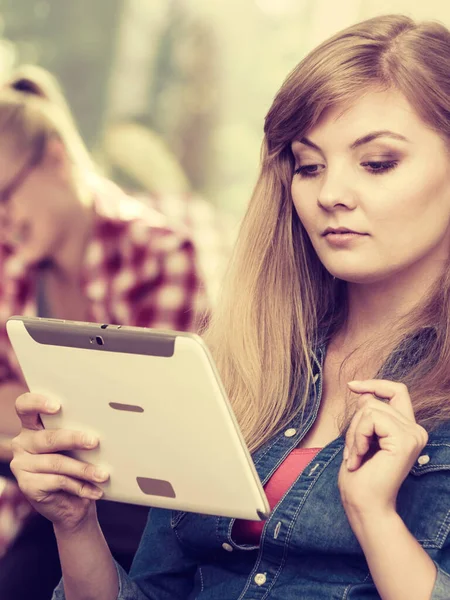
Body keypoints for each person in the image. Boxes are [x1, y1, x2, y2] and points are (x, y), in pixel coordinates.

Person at [10, 12, 450, 599]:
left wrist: (375, 516)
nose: (330, 195)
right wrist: (75, 524)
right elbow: (151, 593)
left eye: (377, 163)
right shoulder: (243, 362)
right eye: (309, 165)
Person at [0, 65, 208, 599]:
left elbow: (157, 422)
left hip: (150, 520)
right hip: (44, 503)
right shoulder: (10, 261)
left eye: (4, 195)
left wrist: (35, 412)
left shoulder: (159, 251)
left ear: (55, 158)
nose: (0, 219)